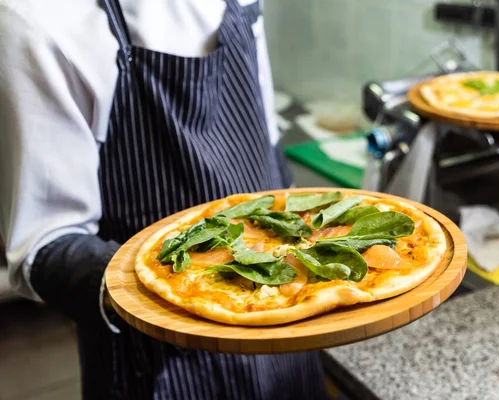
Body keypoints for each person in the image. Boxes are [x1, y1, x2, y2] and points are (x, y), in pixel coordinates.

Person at [0, 0, 329, 399]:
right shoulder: (37, 21)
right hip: (158, 368)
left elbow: (269, 155)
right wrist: (184, 287)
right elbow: (45, 246)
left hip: (290, 345)